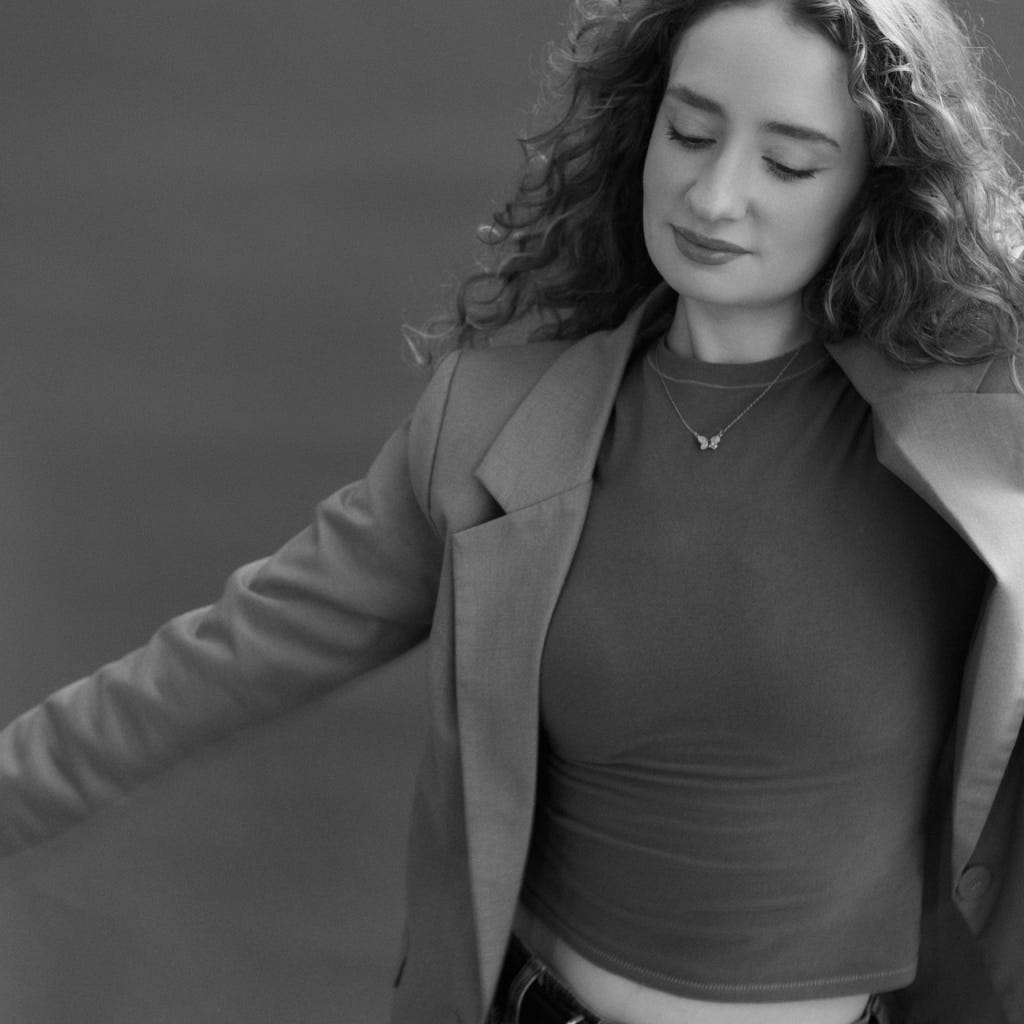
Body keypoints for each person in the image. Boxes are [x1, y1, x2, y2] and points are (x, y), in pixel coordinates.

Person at [1, 0, 1022, 1022]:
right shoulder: (491, 426)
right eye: (690, 133)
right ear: (643, 126)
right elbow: (222, 661)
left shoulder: (985, 433)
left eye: (789, 164)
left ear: (875, 188)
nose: (714, 195)